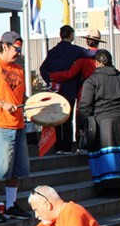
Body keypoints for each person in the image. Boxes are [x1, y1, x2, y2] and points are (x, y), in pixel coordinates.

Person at [0, 31, 32, 223]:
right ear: (5, 46)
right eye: (15, 49)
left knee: (18, 168)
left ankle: (11, 205)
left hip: (17, 123)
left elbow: (21, 96)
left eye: (20, 49)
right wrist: (2, 103)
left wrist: (33, 105)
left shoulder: (18, 68)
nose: (18, 52)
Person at [75, 49, 120, 198]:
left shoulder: (92, 80)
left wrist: (81, 127)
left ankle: (106, 187)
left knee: (105, 157)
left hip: (102, 123)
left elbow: (84, 106)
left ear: (96, 62)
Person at [39, 25, 92, 154]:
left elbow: (42, 68)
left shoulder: (53, 51)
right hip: (69, 89)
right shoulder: (75, 50)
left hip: (55, 90)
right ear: (71, 35)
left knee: (56, 118)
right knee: (68, 119)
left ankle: (59, 147)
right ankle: (68, 147)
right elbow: (90, 53)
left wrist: (50, 81)